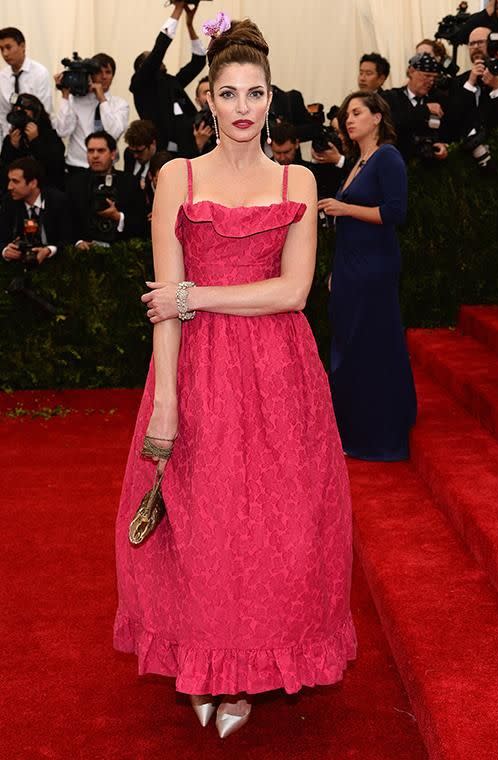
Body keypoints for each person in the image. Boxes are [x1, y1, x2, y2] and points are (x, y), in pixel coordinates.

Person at [114, 16, 356, 740]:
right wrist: (164, 402)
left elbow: (291, 292)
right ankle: (205, 663)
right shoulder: (175, 178)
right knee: (204, 527)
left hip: (282, 374)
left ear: (271, 96)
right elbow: (163, 307)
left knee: (275, 531)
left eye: (255, 92)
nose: (244, 107)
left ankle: (249, 674)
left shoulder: (298, 178)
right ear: (208, 102)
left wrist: (194, 296)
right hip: (197, 369)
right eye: (228, 93)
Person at [318, 91, 416, 461]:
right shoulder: (359, 162)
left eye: (357, 113)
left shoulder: (387, 156)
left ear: (377, 117)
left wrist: (344, 207)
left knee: (370, 346)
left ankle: (379, 434)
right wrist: (336, 271)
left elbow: (395, 213)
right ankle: (354, 427)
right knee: (350, 345)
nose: (349, 120)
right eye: (346, 115)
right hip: (350, 267)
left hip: (374, 267)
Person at [130, 2, 206, 157]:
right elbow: (159, 50)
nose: (158, 61)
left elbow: (198, 61)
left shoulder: (170, 82)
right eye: (150, 59)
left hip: (193, 148)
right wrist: (178, 9)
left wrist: (189, 25)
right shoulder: (141, 85)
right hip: (165, 155)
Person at [66, 130, 146, 248]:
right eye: (90, 151)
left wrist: (118, 217)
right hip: (84, 254)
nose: (95, 155)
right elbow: (67, 220)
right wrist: (78, 242)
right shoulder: (75, 183)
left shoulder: (130, 182)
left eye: (101, 150)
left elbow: (141, 222)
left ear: (113, 154)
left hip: (122, 253)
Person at [53, 53, 129, 171]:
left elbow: (113, 134)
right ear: (91, 75)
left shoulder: (120, 104)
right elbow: (62, 131)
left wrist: (102, 100)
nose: (104, 77)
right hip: (76, 166)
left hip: (106, 168)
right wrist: (65, 96)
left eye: (108, 72)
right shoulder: (75, 100)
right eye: (99, 72)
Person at [1, 157, 70, 264]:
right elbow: (2, 236)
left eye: (15, 181)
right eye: (9, 180)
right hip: (18, 266)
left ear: (33, 183)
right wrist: (5, 250)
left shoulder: (58, 201)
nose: (9, 187)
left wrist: (49, 250)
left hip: (56, 265)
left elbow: (69, 237)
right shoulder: (9, 201)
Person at [383, 52, 449, 162]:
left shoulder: (437, 100)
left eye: (434, 78)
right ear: (411, 72)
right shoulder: (391, 97)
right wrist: (425, 110)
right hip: (399, 161)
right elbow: (395, 122)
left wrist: (442, 145)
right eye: (426, 76)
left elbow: (446, 130)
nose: (430, 82)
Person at [446, 27, 498, 141]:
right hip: (465, 151)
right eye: (471, 43)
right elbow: (452, 121)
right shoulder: (460, 81)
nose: (475, 47)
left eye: (480, 42)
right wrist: (470, 84)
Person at [0, 93, 65, 190]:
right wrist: (12, 147)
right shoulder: (11, 139)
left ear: (36, 114)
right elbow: (5, 171)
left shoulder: (50, 136)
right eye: (16, 110)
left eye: (24, 111)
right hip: (18, 192)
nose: (20, 114)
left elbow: (55, 167)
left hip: (46, 190)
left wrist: (35, 141)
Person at [0, 27, 52, 143]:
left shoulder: (39, 73)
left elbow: (44, 110)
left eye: (8, 47)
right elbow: (3, 114)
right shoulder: (2, 76)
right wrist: (8, 140)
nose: (5, 54)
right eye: (1, 49)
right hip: (12, 140)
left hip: (36, 137)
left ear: (22, 46)